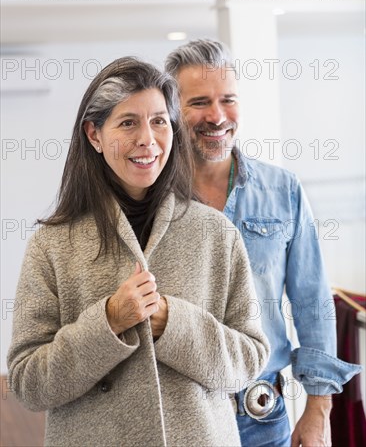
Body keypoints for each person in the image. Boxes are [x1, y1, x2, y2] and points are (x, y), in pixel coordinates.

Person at [7, 57, 270, 447]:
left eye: (159, 121)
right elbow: (28, 383)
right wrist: (108, 322)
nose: (147, 139)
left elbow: (248, 362)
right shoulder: (53, 244)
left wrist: (172, 323)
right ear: (94, 135)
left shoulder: (216, 234)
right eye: (128, 122)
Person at [165, 39, 362, 447]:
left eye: (228, 99)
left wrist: (317, 410)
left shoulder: (282, 190)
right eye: (199, 102)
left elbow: (312, 301)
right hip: (180, 414)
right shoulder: (153, 197)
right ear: (172, 110)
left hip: (262, 413)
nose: (217, 116)